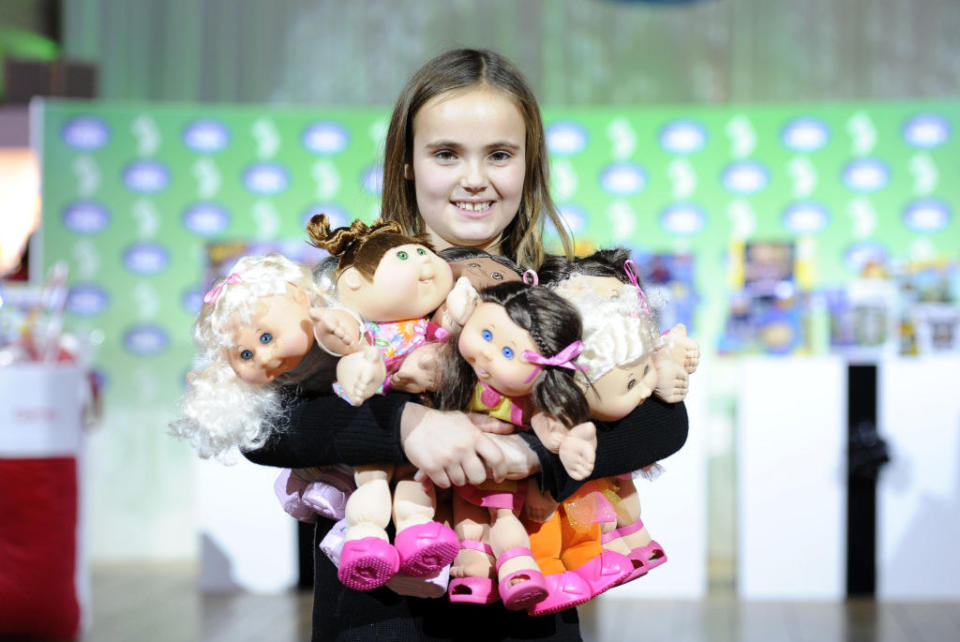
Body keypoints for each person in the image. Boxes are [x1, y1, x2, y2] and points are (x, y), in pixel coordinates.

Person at [243, 48, 689, 642]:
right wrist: (405, 425)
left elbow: (664, 421)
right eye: (446, 153)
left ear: (530, 165)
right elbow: (265, 428)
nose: (474, 179)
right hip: (378, 616)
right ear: (406, 163)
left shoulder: (567, 290)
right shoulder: (347, 292)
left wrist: (534, 452)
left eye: (499, 155)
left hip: (530, 611)